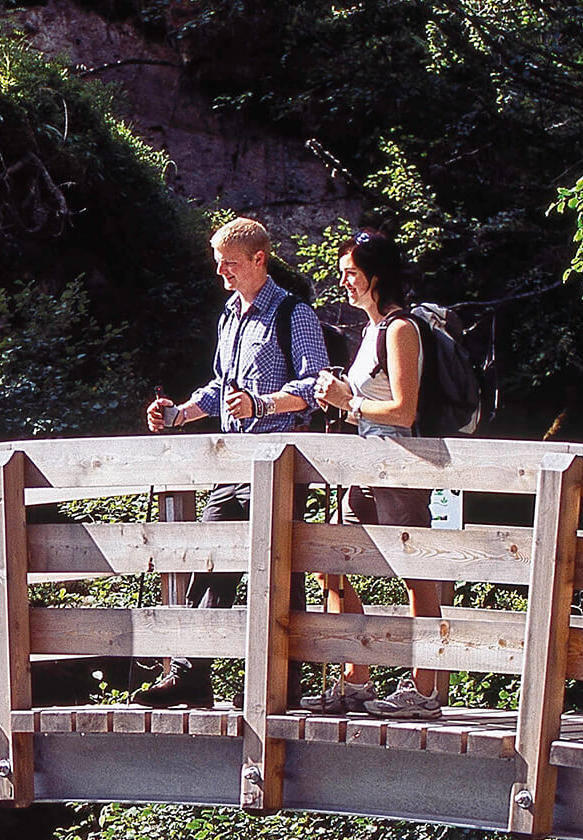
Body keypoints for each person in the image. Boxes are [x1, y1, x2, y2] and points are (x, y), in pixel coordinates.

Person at [135, 217, 328, 708]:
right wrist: (179, 414)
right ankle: (190, 676)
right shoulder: (229, 315)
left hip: (281, 464)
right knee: (211, 561)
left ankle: (285, 685)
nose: (221, 271)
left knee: (281, 572)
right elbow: (222, 387)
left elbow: (317, 386)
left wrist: (262, 404)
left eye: (230, 263)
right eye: (218, 262)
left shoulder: (294, 314)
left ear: (259, 260)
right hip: (231, 466)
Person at [301, 229, 444, 719]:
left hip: (401, 465)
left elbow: (404, 411)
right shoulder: (369, 332)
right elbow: (369, 408)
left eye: (351, 274)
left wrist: (349, 401)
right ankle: (356, 679)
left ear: (375, 278)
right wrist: (339, 402)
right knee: (332, 564)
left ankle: (426, 691)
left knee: (414, 577)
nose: (343, 282)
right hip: (364, 463)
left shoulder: (401, 329)